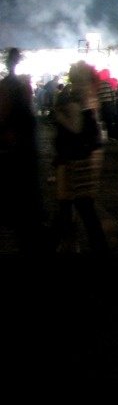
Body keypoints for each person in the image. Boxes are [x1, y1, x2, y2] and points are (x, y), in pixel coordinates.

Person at [51, 61, 109, 256]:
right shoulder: (90, 94)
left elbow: (75, 127)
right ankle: (86, 245)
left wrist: (60, 115)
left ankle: (69, 244)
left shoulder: (78, 95)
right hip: (83, 157)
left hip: (75, 157)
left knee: (74, 204)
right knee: (80, 205)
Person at [0, 47, 49, 256]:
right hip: (25, 156)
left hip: (16, 157)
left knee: (21, 212)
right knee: (27, 213)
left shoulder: (8, 87)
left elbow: (4, 118)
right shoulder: (20, 87)